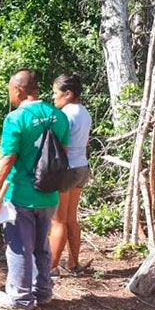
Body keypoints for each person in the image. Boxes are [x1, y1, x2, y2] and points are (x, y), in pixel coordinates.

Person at [0, 69, 70, 310]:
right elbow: (62, 154)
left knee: (18, 247)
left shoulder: (15, 119)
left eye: (10, 91)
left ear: (18, 90)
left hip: (22, 194)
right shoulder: (59, 116)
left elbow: (7, 159)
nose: (10, 96)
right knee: (40, 245)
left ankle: (20, 297)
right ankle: (42, 292)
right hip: (50, 193)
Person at [48, 74, 92, 277]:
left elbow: (59, 147)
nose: (53, 97)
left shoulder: (64, 115)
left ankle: (51, 267)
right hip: (82, 166)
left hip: (66, 170)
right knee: (71, 219)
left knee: (58, 221)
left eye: (56, 93)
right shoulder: (84, 112)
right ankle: (73, 263)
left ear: (68, 93)